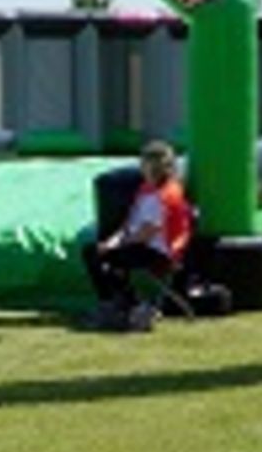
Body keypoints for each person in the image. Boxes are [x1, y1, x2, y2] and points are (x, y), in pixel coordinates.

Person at [82, 140, 194, 331]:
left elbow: (147, 232)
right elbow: (129, 225)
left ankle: (123, 304)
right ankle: (120, 302)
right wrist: (112, 241)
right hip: (142, 245)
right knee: (94, 253)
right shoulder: (146, 190)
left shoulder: (165, 195)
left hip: (160, 252)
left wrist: (116, 245)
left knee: (107, 258)